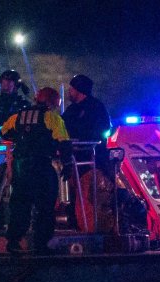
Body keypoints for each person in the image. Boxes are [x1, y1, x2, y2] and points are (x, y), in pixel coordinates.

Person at [0, 87, 70, 254]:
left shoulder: (17, 116)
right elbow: (64, 142)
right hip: (41, 166)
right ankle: (41, 244)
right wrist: (67, 164)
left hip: (20, 167)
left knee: (20, 204)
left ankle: (14, 242)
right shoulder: (52, 118)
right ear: (52, 102)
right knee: (45, 206)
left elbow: (4, 133)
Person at [61, 74, 112, 230]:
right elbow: (61, 127)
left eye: (72, 89)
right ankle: (76, 224)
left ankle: (89, 229)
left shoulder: (96, 108)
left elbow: (100, 132)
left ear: (79, 90)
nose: (70, 92)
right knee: (76, 197)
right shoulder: (71, 110)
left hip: (91, 161)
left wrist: (79, 141)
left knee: (88, 198)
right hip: (73, 160)